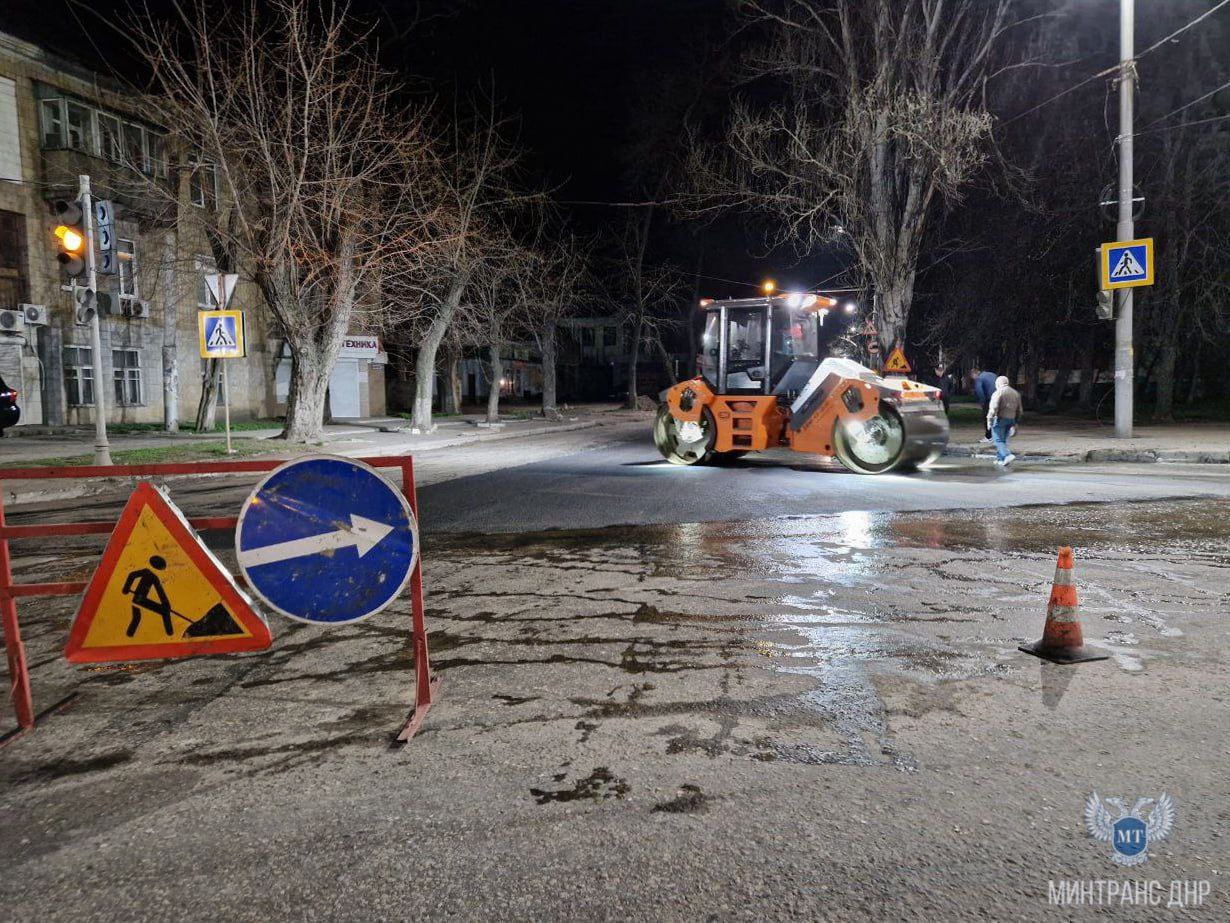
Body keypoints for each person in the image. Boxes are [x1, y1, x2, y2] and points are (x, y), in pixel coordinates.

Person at [122, 555, 174, 637]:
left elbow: (160, 592)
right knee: (163, 612)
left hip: (139, 599)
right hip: (140, 599)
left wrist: (166, 604)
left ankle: (129, 635)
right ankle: (170, 632)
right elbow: (132, 575)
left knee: (137, 617)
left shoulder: (153, 576)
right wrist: (126, 589)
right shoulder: (148, 573)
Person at [987, 375, 1022, 467]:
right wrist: (1016, 421)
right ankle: (1000, 459)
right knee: (1004, 439)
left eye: (996, 383)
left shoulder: (998, 392)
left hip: (1000, 418)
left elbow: (994, 407)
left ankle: (1007, 455)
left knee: (997, 439)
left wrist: (989, 419)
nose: (995, 385)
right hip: (1011, 419)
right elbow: (1020, 410)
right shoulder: (1015, 393)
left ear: (998, 383)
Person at [970, 367, 999, 441]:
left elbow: (980, 391)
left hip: (989, 399)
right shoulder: (993, 375)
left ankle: (988, 437)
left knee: (987, 417)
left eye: (972, 377)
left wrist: (982, 402)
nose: (973, 379)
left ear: (974, 374)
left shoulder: (979, 379)